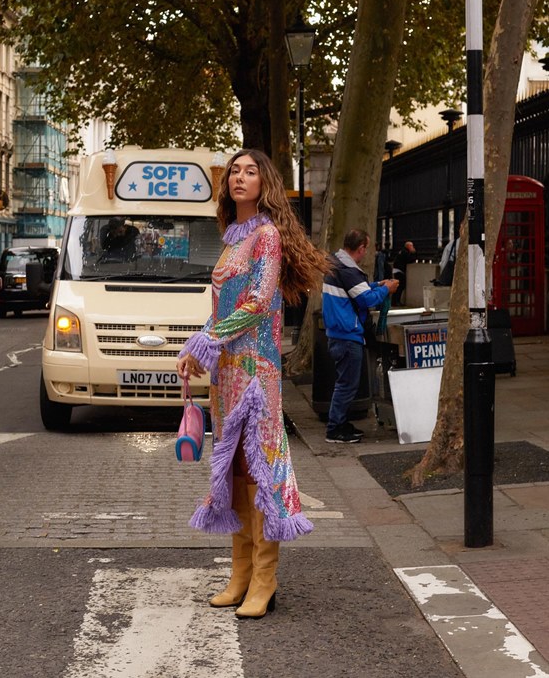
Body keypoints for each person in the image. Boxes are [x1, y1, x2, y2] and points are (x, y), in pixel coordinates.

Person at [177, 148, 329, 619]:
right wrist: (196, 346)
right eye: (235, 173)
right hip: (225, 373)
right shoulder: (231, 238)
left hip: (256, 373)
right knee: (236, 470)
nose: (241, 178)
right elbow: (224, 308)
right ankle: (240, 574)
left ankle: (265, 579)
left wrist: (209, 338)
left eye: (251, 172)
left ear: (264, 184)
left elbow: (261, 303)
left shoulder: (265, 235)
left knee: (259, 465)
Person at [322, 230, 398, 443]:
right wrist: (387, 289)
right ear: (361, 248)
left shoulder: (336, 265)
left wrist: (377, 285)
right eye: (366, 248)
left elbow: (357, 291)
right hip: (347, 335)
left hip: (339, 334)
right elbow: (366, 300)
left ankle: (340, 424)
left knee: (345, 383)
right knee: (347, 385)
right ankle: (335, 429)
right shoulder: (348, 271)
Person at [392, 240, 416, 305]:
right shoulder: (405, 252)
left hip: (397, 270)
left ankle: (395, 301)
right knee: (400, 286)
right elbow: (410, 260)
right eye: (411, 246)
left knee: (398, 286)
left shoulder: (402, 251)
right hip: (399, 270)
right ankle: (396, 301)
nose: (412, 247)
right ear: (408, 246)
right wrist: (413, 253)